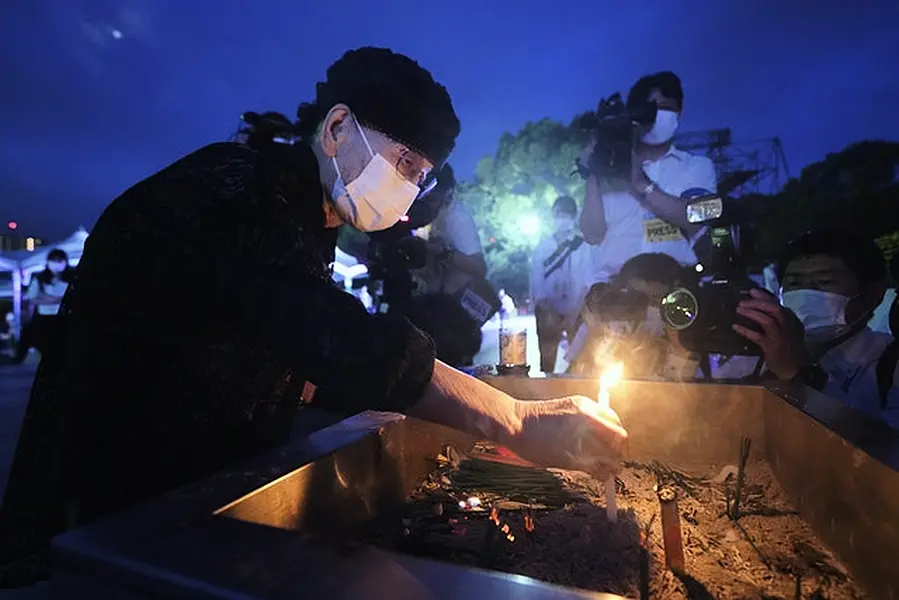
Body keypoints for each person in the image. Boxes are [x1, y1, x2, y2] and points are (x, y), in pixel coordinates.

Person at [0, 47, 627, 588]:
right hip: (96, 524)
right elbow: (336, 338)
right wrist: (513, 417)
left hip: (177, 498)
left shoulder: (307, 216)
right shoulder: (236, 193)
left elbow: (283, 348)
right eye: (403, 163)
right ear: (336, 129)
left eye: (421, 177)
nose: (408, 190)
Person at [732, 229, 898, 426]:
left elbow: (880, 449)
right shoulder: (758, 356)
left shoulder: (890, 364)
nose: (807, 293)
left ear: (873, 295)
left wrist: (800, 374)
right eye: (795, 283)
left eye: (824, 282)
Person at [578, 71, 718, 283]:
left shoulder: (698, 167)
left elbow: (704, 215)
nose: (657, 116)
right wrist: (592, 174)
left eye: (666, 108)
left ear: (680, 111)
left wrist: (641, 184)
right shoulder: (609, 168)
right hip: (618, 293)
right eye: (650, 109)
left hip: (679, 286)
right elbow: (592, 234)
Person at [530, 195, 593, 372]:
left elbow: (588, 283)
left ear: (574, 217)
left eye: (566, 214)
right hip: (548, 314)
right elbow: (538, 287)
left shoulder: (583, 246)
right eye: (558, 214)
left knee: (579, 363)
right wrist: (550, 315)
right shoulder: (542, 248)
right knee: (547, 361)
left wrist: (574, 314)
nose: (562, 219)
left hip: (577, 311)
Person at [14, 249, 75, 363]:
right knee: (35, 338)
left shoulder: (72, 277)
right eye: (54, 260)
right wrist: (56, 299)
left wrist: (46, 297)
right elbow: (33, 297)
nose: (57, 264)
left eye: (60, 260)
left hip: (65, 317)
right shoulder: (41, 278)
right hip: (44, 317)